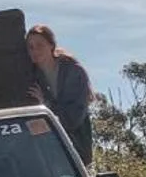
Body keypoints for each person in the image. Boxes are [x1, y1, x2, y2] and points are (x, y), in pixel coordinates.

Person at [26, 23, 95, 164]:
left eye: (40, 45)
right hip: (47, 156)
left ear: (51, 45)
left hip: (76, 152)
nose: (35, 51)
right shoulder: (32, 77)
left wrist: (46, 104)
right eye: (31, 47)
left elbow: (72, 119)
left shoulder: (73, 72)